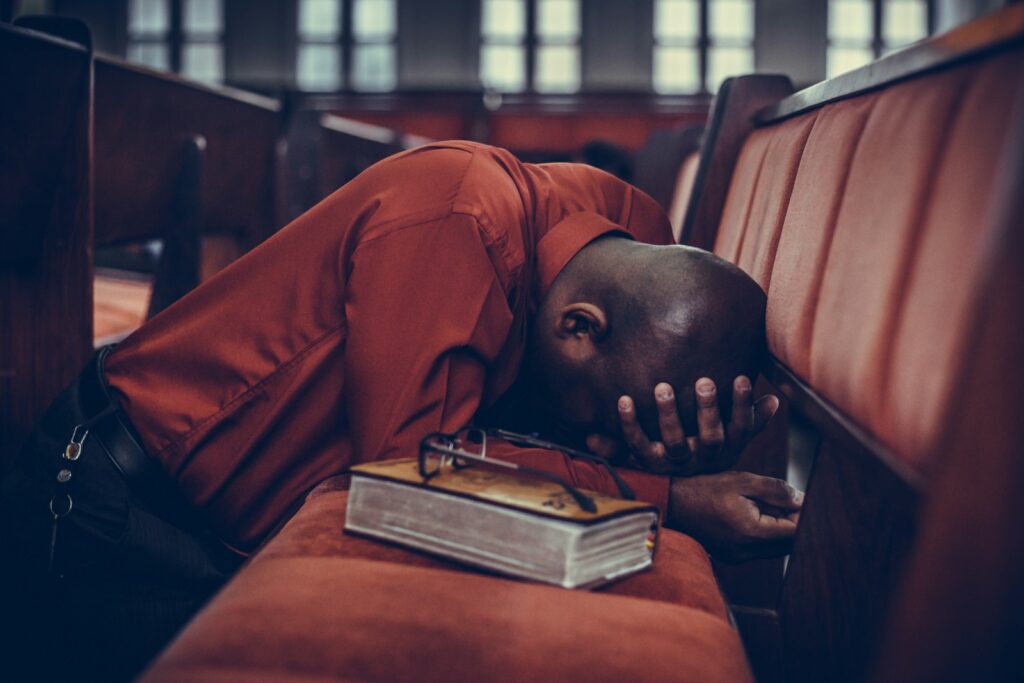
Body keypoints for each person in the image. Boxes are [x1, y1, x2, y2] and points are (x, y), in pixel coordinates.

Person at [0, 141, 801, 681]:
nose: (598, 442)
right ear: (578, 328)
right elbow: (411, 478)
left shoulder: (628, 231)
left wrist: (674, 450)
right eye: (598, 421)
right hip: (115, 512)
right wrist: (667, 497)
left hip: (232, 529)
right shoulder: (461, 220)